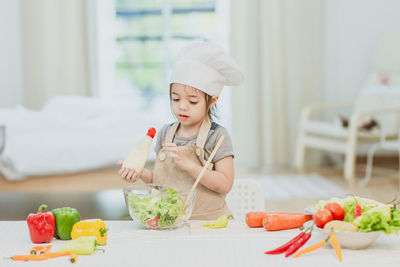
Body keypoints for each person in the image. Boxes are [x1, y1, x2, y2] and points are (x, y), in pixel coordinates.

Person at [118, 42, 244, 219]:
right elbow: (162, 182)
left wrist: (189, 166)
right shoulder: (166, 134)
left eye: (193, 101)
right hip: (172, 222)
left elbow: (225, 184)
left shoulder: (217, 136)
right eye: (175, 99)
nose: (182, 107)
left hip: (209, 224)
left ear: (212, 101)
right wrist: (140, 174)